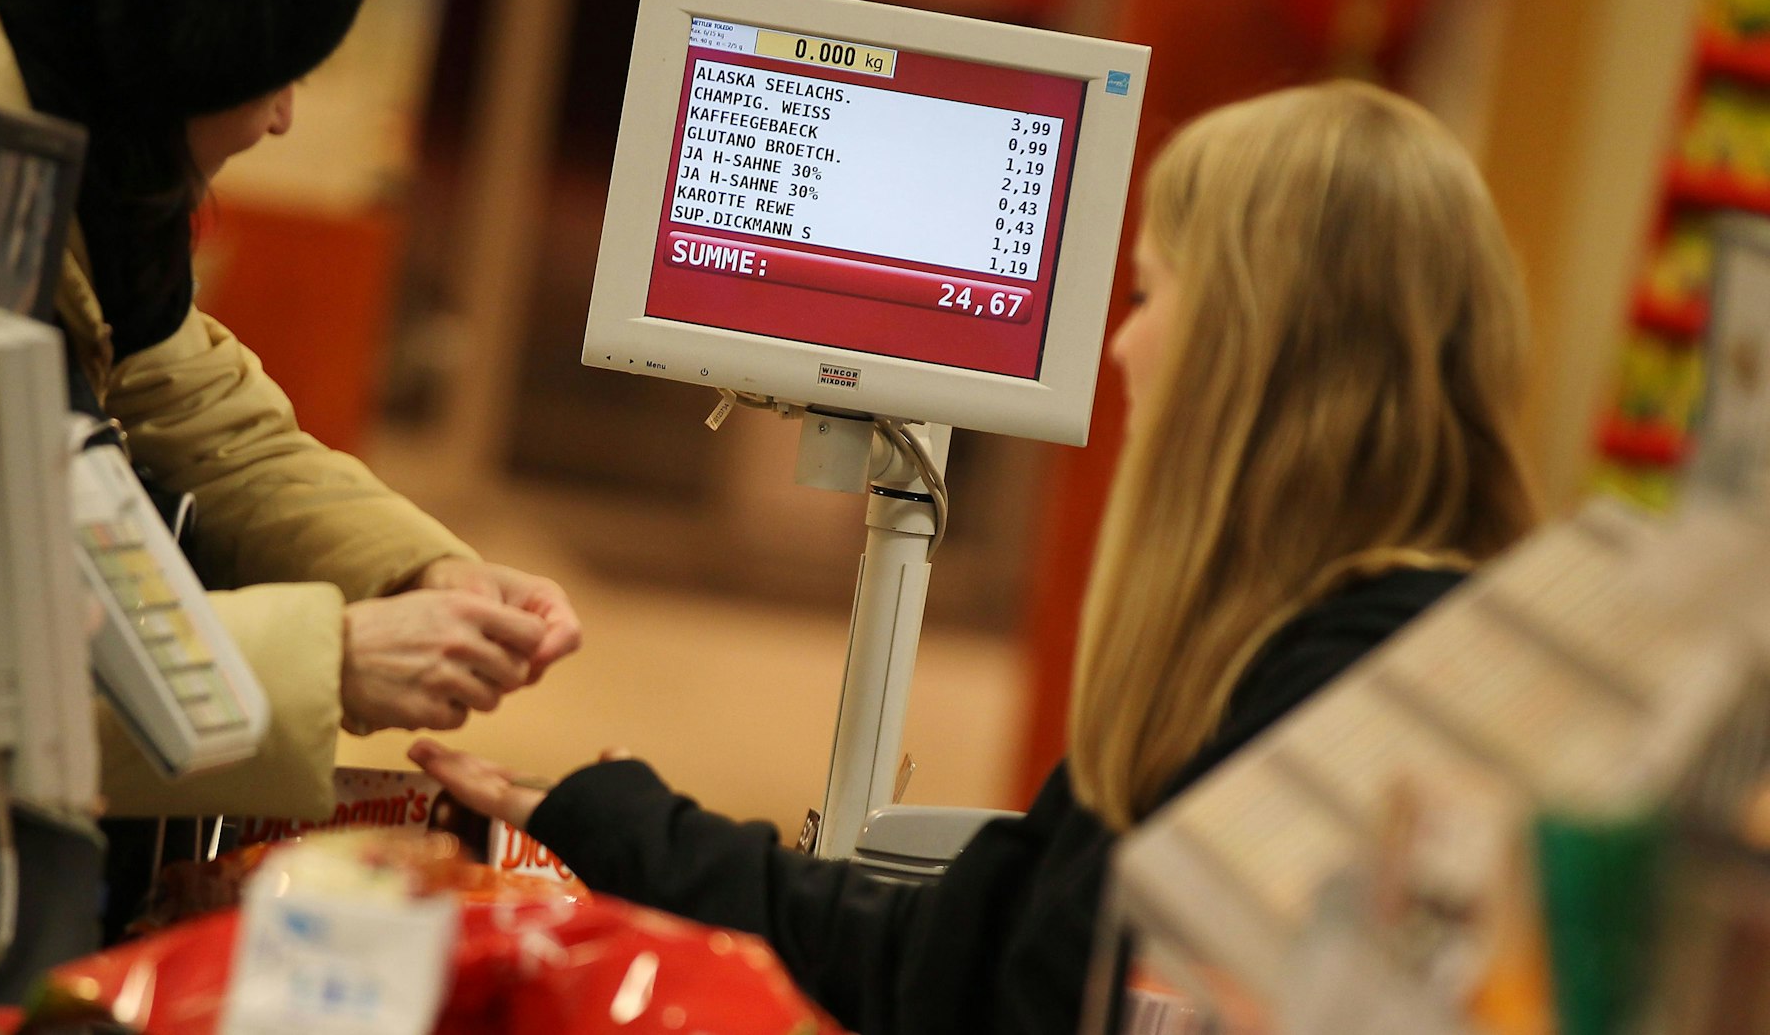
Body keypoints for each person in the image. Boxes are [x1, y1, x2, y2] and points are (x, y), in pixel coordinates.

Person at [412, 80, 1540, 1034]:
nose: (1121, 343)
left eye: (1150, 294)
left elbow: (980, 991)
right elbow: (952, 962)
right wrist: (621, 824)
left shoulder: (1316, 721)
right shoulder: (1338, 659)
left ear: (1254, 354)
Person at [0, 0, 581, 821]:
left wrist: (415, 568)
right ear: (157, 68)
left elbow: (202, 421)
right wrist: (333, 658)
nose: (279, 119)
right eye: (269, 78)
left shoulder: (36, 148)